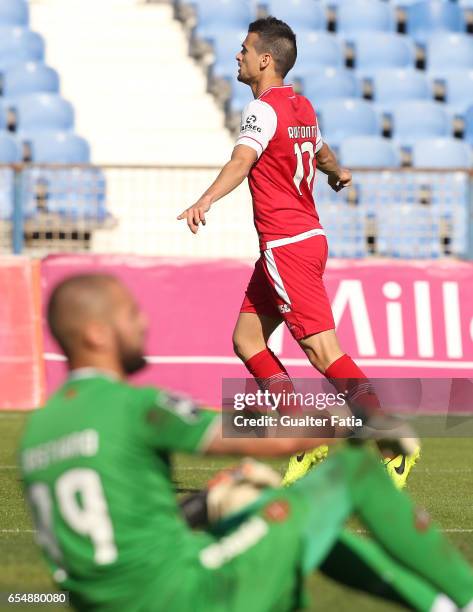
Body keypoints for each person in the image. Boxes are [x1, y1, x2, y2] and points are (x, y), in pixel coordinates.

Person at [20, 274, 473, 612]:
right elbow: (261, 436)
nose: (143, 321)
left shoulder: (38, 432)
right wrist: (359, 422)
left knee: (256, 508)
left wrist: (201, 506)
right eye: (129, 313)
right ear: (96, 334)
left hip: (119, 601)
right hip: (185, 592)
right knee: (349, 471)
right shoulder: (133, 405)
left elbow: (107, 532)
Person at [177, 16, 419, 487]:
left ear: (265, 60)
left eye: (245, 50)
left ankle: (393, 443)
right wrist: (337, 173)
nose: (238, 56)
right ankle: (308, 435)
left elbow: (241, 161)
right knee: (247, 340)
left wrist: (205, 199)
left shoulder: (262, 110)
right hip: (302, 239)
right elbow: (323, 153)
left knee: (323, 350)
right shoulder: (302, 105)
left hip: (286, 243)